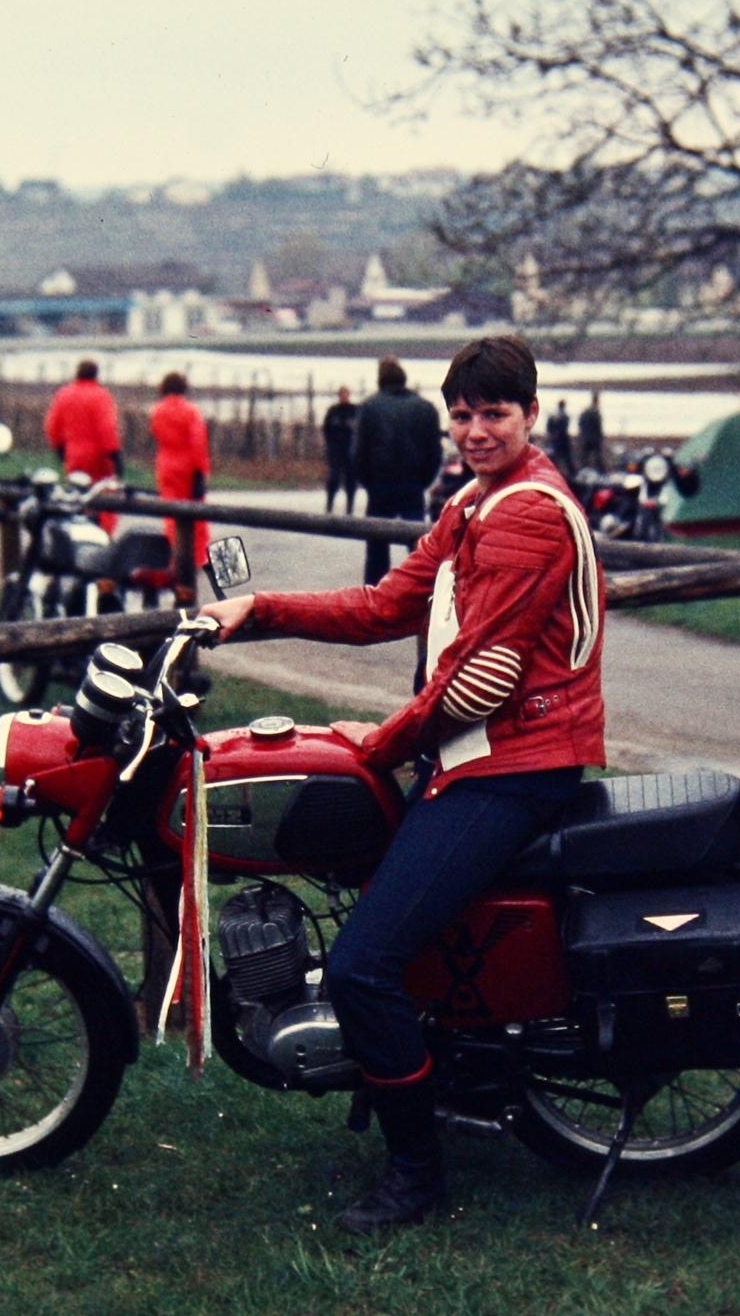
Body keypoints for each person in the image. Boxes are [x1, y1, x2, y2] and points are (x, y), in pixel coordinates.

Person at [201, 335, 605, 1234]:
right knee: (377, 910)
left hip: (512, 767)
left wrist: (379, 745)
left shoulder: (528, 516)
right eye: (462, 415)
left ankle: (415, 1174)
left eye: (494, 413)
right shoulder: (473, 502)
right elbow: (385, 604)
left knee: (363, 965)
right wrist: (260, 610)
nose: (475, 430)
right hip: (477, 758)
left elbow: (481, 679)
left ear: (531, 415)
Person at [352, 357, 441, 584]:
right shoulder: (426, 407)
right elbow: (434, 452)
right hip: (413, 484)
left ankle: (376, 593)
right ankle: (423, 592)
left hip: (379, 485)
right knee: (418, 545)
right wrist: (423, 481)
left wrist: (367, 482)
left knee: (377, 548)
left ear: (380, 379)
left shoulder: (368, 407)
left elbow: (358, 452)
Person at [45, 359, 122, 533]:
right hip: (99, 459)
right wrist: (115, 456)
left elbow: (52, 426)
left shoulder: (64, 394)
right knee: (104, 500)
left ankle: (78, 534)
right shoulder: (101, 395)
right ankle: (102, 535)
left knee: (77, 497)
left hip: (74, 455)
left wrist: (60, 450)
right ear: (96, 375)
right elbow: (107, 428)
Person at [149, 372, 211, 564]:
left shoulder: (157, 410)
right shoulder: (191, 411)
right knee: (196, 515)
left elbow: (156, 434)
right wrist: (200, 471)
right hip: (187, 467)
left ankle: (174, 555)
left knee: (170, 514)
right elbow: (198, 443)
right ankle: (196, 559)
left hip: (166, 465)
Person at [322, 386, 360, 514]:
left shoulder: (355, 410)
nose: (344, 396)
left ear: (349, 395)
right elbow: (326, 429)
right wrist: (330, 446)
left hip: (351, 450)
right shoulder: (333, 411)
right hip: (336, 451)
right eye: (342, 394)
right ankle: (329, 506)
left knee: (351, 479)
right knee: (334, 478)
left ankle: (350, 508)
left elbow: (359, 430)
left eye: (346, 394)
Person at [544, 396, 573, 472]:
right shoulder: (565, 416)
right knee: (566, 458)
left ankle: (554, 471)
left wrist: (551, 435)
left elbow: (549, 427)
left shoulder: (553, 415)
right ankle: (571, 472)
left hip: (555, 439)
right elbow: (565, 427)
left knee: (555, 458)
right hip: (562, 439)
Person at [578, 391, 604, 471]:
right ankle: (600, 472)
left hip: (585, 437)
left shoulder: (585, 411)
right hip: (594, 438)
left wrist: (582, 434)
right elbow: (598, 426)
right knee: (597, 457)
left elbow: (580, 423)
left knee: (585, 457)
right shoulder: (596, 412)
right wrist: (600, 437)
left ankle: (584, 470)